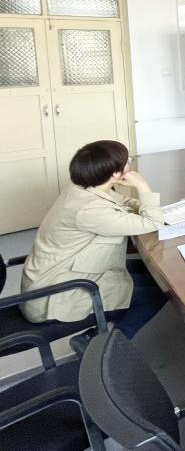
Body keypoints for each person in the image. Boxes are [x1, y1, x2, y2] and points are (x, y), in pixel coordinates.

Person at [20, 140, 167, 338]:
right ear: (114, 173)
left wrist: (143, 206)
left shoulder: (83, 188)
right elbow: (153, 223)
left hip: (68, 273)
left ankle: (104, 333)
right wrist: (142, 186)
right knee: (158, 293)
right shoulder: (89, 210)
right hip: (59, 293)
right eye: (127, 161)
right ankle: (103, 345)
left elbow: (124, 203)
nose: (130, 165)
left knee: (151, 274)